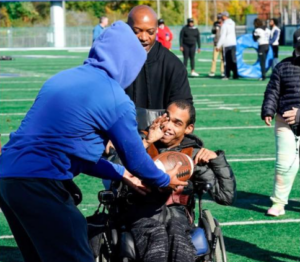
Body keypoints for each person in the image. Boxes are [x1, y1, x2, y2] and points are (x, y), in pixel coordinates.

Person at [0, 21, 187, 262]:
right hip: (40, 183)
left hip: (8, 179)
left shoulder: (60, 79)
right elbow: (137, 161)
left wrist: (120, 173)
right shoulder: (115, 98)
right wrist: (164, 179)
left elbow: (74, 154)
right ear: (128, 62)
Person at [118, 100, 236, 262]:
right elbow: (114, 169)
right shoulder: (141, 142)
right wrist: (147, 142)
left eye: (177, 123)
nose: (168, 127)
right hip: (142, 213)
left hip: (178, 215)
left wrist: (217, 160)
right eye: (167, 119)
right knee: (156, 237)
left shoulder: (192, 156)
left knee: (177, 236)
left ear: (188, 129)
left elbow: (225, 196)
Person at [261, 28, 300, 217]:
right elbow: (272, 91)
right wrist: (268, 109)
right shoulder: (283, 67)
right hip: (284, 122)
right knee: (284, 164)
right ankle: (278, 202)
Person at [126, 5, 192, 109]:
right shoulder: (114, 61)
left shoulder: (173, 65)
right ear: (127, 28)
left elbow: (183, 108)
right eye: (137, 31)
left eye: (150, 32)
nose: (144, 37)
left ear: (156, 30)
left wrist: (164, 123)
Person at [216, 11, 238, 80]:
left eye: (222, 16)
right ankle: (235, 75)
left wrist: (218, 45)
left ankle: (227, 75)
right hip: (233, 43)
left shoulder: (224, 25)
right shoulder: (233, 23)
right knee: (233, 60)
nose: (221, 17)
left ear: (225, 17)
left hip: (227, 44)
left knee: (226, 61)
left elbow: (223, 36)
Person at [209, 13, 225, 77]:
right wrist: (215, 29)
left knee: (223, 59)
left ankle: (222, 71)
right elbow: (212, 31)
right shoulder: (215, 23)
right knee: (214, 58)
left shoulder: (225, 24)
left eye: (220, 18)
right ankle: (212, 71)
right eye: (218, 18)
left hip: (223, 43)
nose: (219, 20)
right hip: (216, 43)